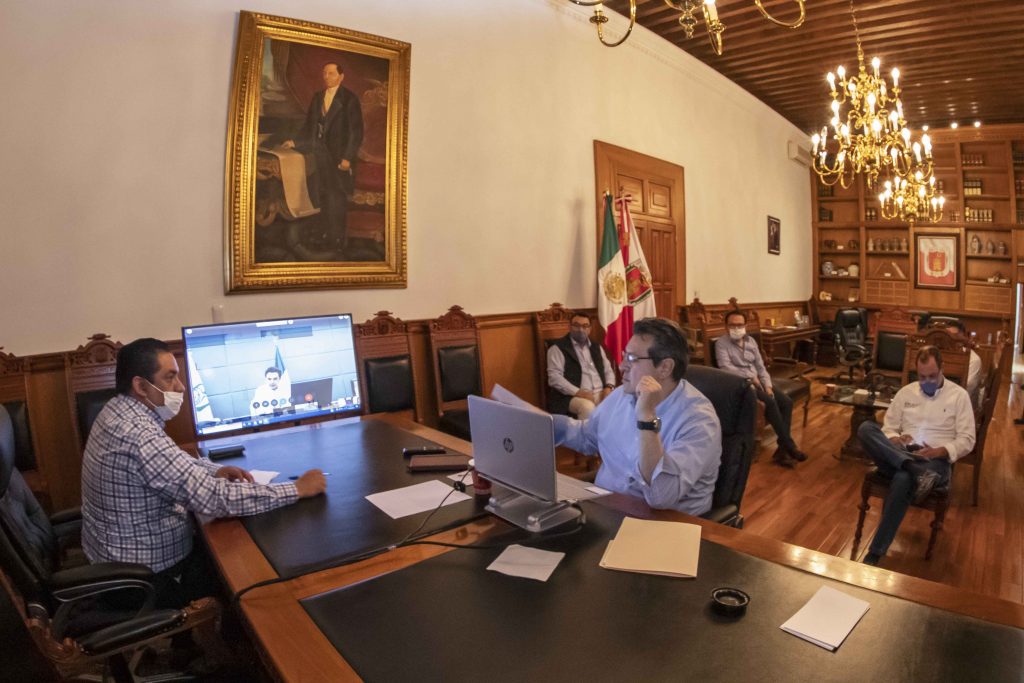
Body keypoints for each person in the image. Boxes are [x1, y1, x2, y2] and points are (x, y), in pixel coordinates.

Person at [81, 338, 327, 608]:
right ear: (141, 386)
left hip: (115, 556)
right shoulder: (138, 435)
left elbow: (172, 462)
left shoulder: (118, 411)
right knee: (245, 570)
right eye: (170, 378)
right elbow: (215, 499)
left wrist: (215, 469)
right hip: (147, 578)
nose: (181, 387)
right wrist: (296, 490)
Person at [554, 318, 721, 515]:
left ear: (665, 368)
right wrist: (542, 424)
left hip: (664, 524)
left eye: (632, 359)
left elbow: (660, 497)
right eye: (624, 356)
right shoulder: (621, 395)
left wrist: (647, 418)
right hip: (605, 508)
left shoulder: (699, 420)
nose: (622, 365)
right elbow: (587, 436)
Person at [857, 346, 975, 566]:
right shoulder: (906, 392)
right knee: (865, 428)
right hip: (902, 452)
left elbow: (968, 439)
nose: (926, 381)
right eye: (922, 377)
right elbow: (889, 428)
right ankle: (912, 467)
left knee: (903, 478)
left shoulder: (959, 396)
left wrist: (940, 450)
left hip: (936, 460)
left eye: (932, 376)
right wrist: (895, 439)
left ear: (942, 369)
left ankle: (875, 552)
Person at [282, 62, 364, 252]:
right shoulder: (318, 97)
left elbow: (356, 133)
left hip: (339, 157)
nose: (326, 76)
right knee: (322, 195)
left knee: (337, 197)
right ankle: (325, 233)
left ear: (341, 76)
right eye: (324, 73)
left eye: (331, 73)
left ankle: (337, 240)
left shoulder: (349, 99)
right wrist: (295, 143)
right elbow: (310, 126)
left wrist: (347, 158)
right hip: (320, 154)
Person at [715, 309, 808, 467]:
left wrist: (768, 385)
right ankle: (790, 446)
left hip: (759, 382)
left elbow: (760, 366)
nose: (736, 328)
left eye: (740, 325)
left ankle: (782, 449)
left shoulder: (751, 342)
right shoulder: (721, 343)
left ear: (745, 325)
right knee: (770, 403)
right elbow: (725, 368)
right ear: (726, 326)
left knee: (786, 402)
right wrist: (752, 378)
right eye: (732, 325)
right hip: (740, 384)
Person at [546, 313, 616, 419]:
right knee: (587, 407)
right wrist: (579, 392)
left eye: (585, 326)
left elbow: (608, 370)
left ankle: (611, 435)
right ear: (569, 327)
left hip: (600, 393)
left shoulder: (596, 347)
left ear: (590, 329)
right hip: (571, 396)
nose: (581, 329)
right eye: (576, 325)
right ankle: (587, 436)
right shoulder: (558, 348)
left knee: (619, 401)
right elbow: (554, 378)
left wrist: (609, 387)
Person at [944, 322, 982, 400]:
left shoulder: (974, 360)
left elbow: (966, 391)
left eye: (955, 335)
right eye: (947, 335)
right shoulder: (941, 354)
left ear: (963, 337)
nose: (951, 339)